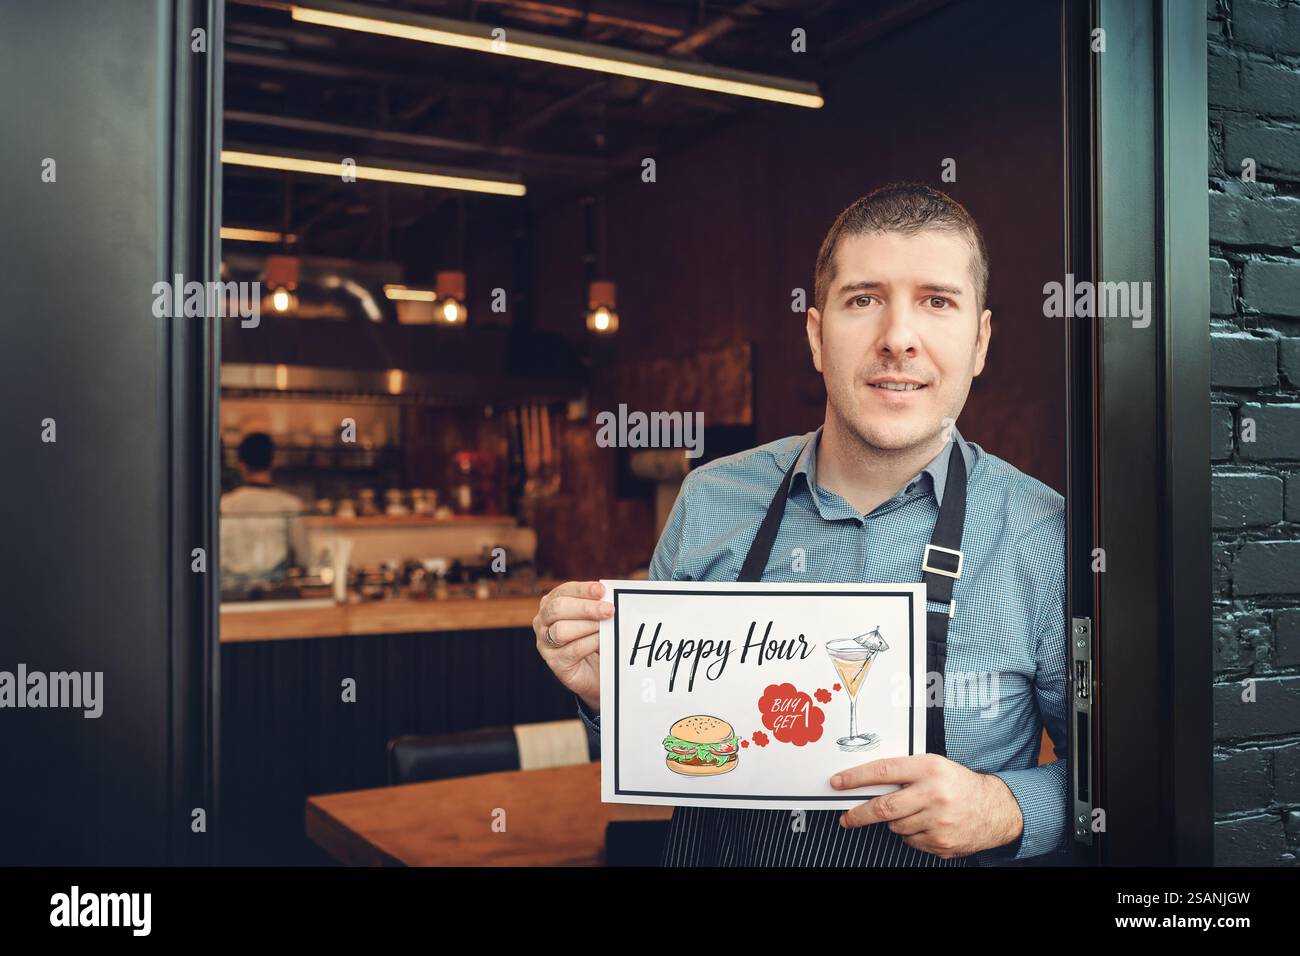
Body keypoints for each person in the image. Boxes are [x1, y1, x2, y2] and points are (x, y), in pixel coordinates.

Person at [534, 181, 1067, 867]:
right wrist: (606, 693)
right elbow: (652, 751)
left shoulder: (1040, 535)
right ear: (817, 336)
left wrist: (1003, 807)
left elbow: (1116, 781)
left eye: (936, 302)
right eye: (863, 300)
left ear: (981, 340)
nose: (898, 338)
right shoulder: (709, 501)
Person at [220, 432, 307, 589]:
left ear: (241, 464)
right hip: (275, 590)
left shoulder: (224, 505)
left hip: (231, 591)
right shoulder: (290, 505)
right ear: (273, 462)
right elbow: (304, 558)